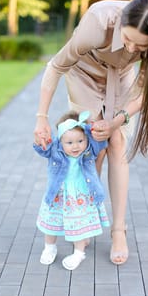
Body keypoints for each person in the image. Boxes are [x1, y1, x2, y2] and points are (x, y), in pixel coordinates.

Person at [34, 0, 148, 265]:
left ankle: (118, 230)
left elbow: (144, 93)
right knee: (93, 145)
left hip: (119, 77)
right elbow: (56, 66)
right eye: (127, 39)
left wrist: (116, 121)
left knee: (116, 140)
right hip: (84, 72)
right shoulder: (97, 24)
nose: (131, 49)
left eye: (141, 46)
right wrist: (41, 116)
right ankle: (81, 218)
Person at [33, 110, 110, 270]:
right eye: (69, 143)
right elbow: (42, 149)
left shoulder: (88, 150)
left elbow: (101, 143)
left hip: (80, 196)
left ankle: (79, 252)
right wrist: (39, 140)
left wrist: (91, 129)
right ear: (60, 142)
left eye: (80, 141)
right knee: (50, 222)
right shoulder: (55, 149)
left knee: (79, 224)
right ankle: (49, 247)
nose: (75, 146)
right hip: (58, 194)